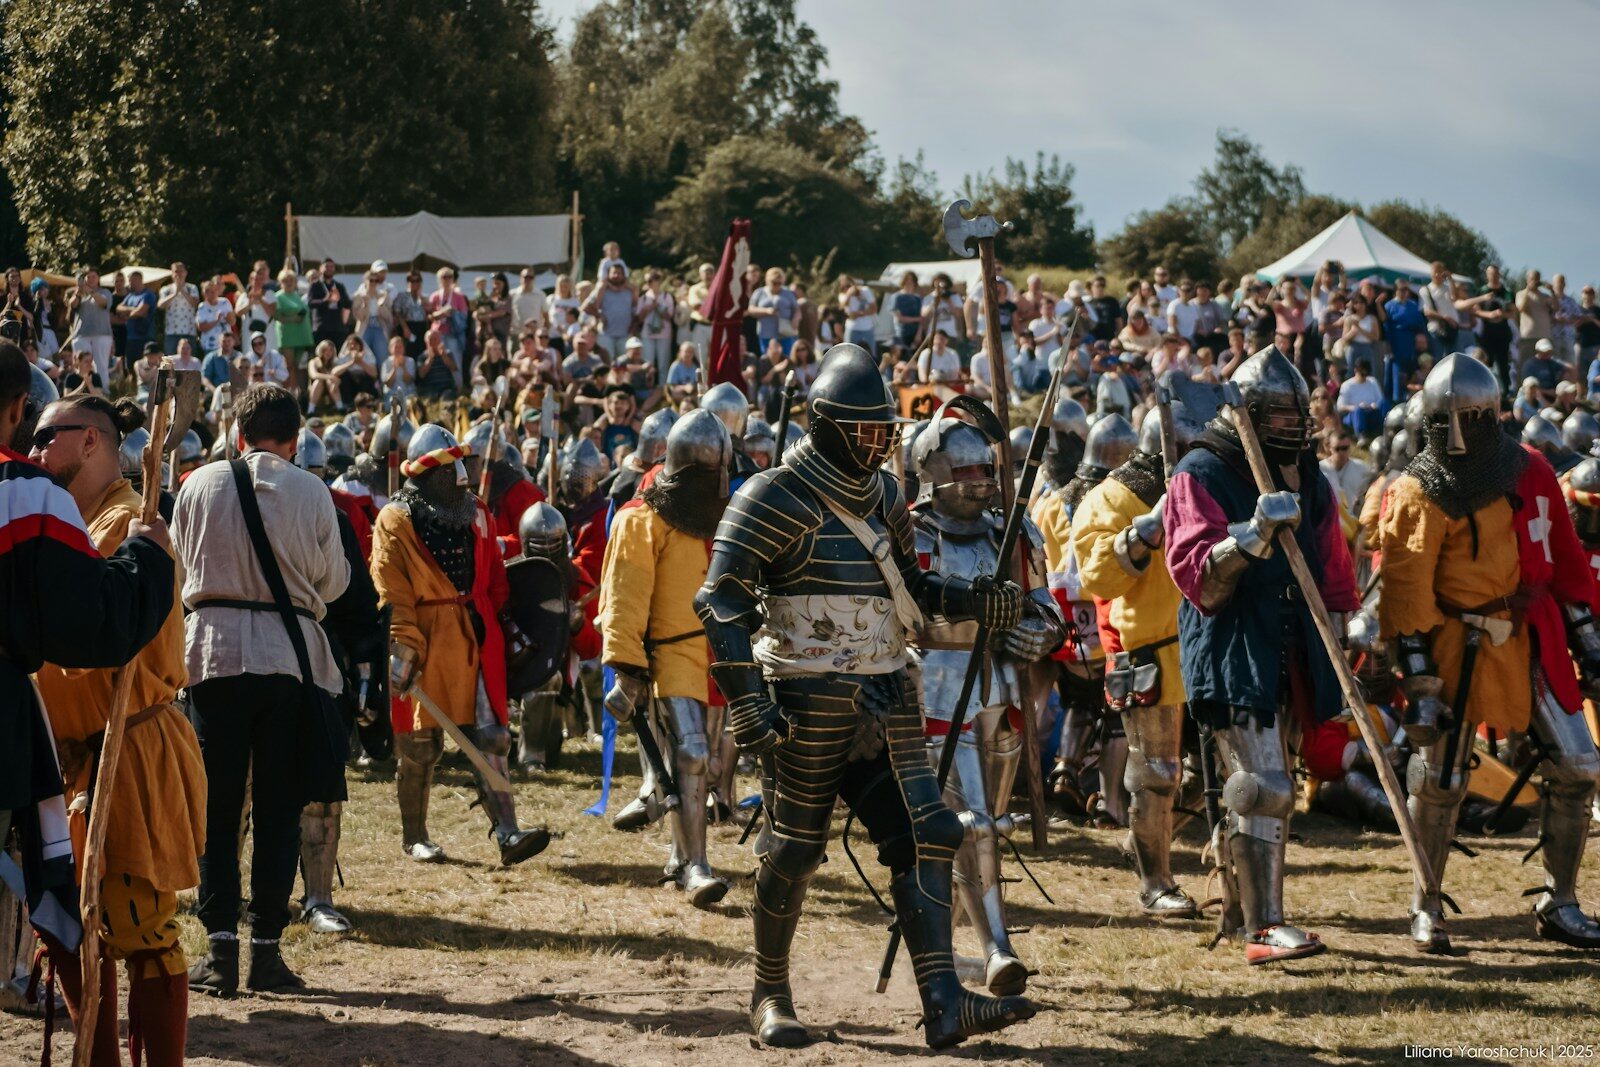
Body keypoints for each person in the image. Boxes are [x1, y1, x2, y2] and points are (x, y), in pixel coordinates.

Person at [695, 344, 1034, 1049]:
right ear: (827, 424)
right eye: (867, 430)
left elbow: (911, 587)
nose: (880, 443)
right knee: (792, 848)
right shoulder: (769, 495)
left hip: (886, 693)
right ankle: (770, 992)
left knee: (930, 830)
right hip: (803, 697)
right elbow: (721, 602)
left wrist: (976, 598)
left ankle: (944, 999)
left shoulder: (883, 496)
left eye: (886, 431)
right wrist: (749, 704)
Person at [1377, 353, 1600, 952]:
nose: (1458, 435)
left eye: (1469, 419)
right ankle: (1426, 903)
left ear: (1492, 415)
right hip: (1456, 642)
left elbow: (1566, 564)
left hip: (1531, 634)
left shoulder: (1527, 470)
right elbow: (1405, 593)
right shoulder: (1417, 490)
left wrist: (1590, 641)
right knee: (1441, 779)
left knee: (1580, 766)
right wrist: (1420, 681)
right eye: (1447, 420)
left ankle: (1562, 902)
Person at [1164, 346, 1358, 964]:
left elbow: (1331, 566)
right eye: (1279, 414)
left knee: (1277, 783)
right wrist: (1251, 534)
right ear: (1249, 413)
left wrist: (1341, 635)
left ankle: (1239, 906)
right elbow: (1199, 576)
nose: (1294, 425)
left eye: (1298, 413)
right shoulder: (1202, 470)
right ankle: (1264, 929)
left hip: (1295, 641)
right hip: (1232, 639)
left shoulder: (1309, 474)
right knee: (1262, 785)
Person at [20, 390, 192, 1067]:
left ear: (90, 440)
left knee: (140, 924)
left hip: (128, 747)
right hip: (72, 757)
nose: (33, 453)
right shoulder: (74, 521)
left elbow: (86, 639)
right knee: (70, 927)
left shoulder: (126, 522)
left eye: (45, 438)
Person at [177, 383, 350, 995]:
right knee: (277, 809)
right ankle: (266, 953)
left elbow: (180, 570)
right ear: (296, 438)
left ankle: (221, 951)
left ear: (238, 433)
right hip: (286, 659)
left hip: (212, 659)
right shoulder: (312, 491)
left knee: (217, 811)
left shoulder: (197, 484)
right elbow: (331, 585)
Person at [910, 408, 1065, 993]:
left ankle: (936, 947)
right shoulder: (914, 531)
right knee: (972, 826)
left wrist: (1039, 629)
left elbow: (1043, 600)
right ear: (935, 471)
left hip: (1001, 689)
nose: (979, 479)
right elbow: (908, 615)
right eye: (967, 469)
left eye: (985, 469)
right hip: (941, 689)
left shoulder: (1013, 531)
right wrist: (973, 621)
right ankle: (997, 948)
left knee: (990, 824)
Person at [374, 424, 550, 867]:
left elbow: (494, 579)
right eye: (451, 468)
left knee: (491, 736)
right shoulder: (395, 518)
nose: (461, 478)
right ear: (430, 473)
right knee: (420, 744)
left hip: (474, 635)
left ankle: (508, 832)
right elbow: (391, 589)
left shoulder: (476, 514)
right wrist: (403, 646)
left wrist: (495, 622)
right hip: (425, 638)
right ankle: (415, 835)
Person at [1072, 403, 1205, 918]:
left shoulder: (1203, 492)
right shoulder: (1109, 497)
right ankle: (1156, 881)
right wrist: (1142, 532)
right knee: (1157, 772)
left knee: (1212, 772)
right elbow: (1100, 576)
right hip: (1149, 655)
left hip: (1205, 650)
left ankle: (1144, 838)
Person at [601, 410, 735, 908]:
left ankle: (682, 858)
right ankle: (696, 866)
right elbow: (625, 600)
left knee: (710, 762)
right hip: (670, 652)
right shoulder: (641, 519)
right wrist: (628, 669)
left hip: (719, 650)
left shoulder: (720, 515)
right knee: (694, 754)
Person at [1036, 411, 1131, 821]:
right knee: (1115, 711)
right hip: (1109, 616)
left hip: (1063, 624)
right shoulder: (1116, 498)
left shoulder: (1052, 501)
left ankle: (1066, 769)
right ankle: (1111, 801)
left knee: (1078, 697)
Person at [65, 268, 115, 386]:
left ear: (98, 278)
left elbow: (103, 303)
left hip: (102, 334)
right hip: (81, 334)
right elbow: (73, 305)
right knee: (81, 364)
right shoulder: (79, 293)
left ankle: (103, 390)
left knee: (101, 365)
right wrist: (78, 292)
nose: (91, 279)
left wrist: (91, 292)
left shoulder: (105, 292)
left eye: (94, 276)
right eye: (88, 277)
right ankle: (80, 389)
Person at [584, 263, 637, 359]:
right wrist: (600, 315)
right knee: (607, 363)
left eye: (619, 273)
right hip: (606, 335)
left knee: (623, 365)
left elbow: (635, 310)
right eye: (614, 273)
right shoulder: (601, 289)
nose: (617, 275)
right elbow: (585, 307)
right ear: (608, 275)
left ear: (624, 275)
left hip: (624, 335)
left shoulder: (630, 290)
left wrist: (633, 329)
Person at [1336, 357, 1384, 441]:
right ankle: (1361, 435)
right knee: (1358, 410)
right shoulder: (1347, 385)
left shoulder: (1372, 381)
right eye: (1362, 374)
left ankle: (1384, 429)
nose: (1364, 377)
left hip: (1371, 412)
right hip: (1354, 415)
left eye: (1366, 374)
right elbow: (1340, 406)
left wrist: (1375, 405)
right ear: (1355, 371)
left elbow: (1380, 398)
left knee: (1384, 403)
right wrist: (1355, 407)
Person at [158, 263, 199, 357]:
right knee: (170, 362)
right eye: (176, 271)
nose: (179, 274)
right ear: (172, 274)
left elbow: (195, 303)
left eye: (181, 271)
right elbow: (160, 305)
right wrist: (175, 293)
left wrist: (182, 290)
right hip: (171, 332)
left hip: (189, 332)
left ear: (186, 273)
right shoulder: (166, 289)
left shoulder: (192, 288)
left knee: (190, 363)